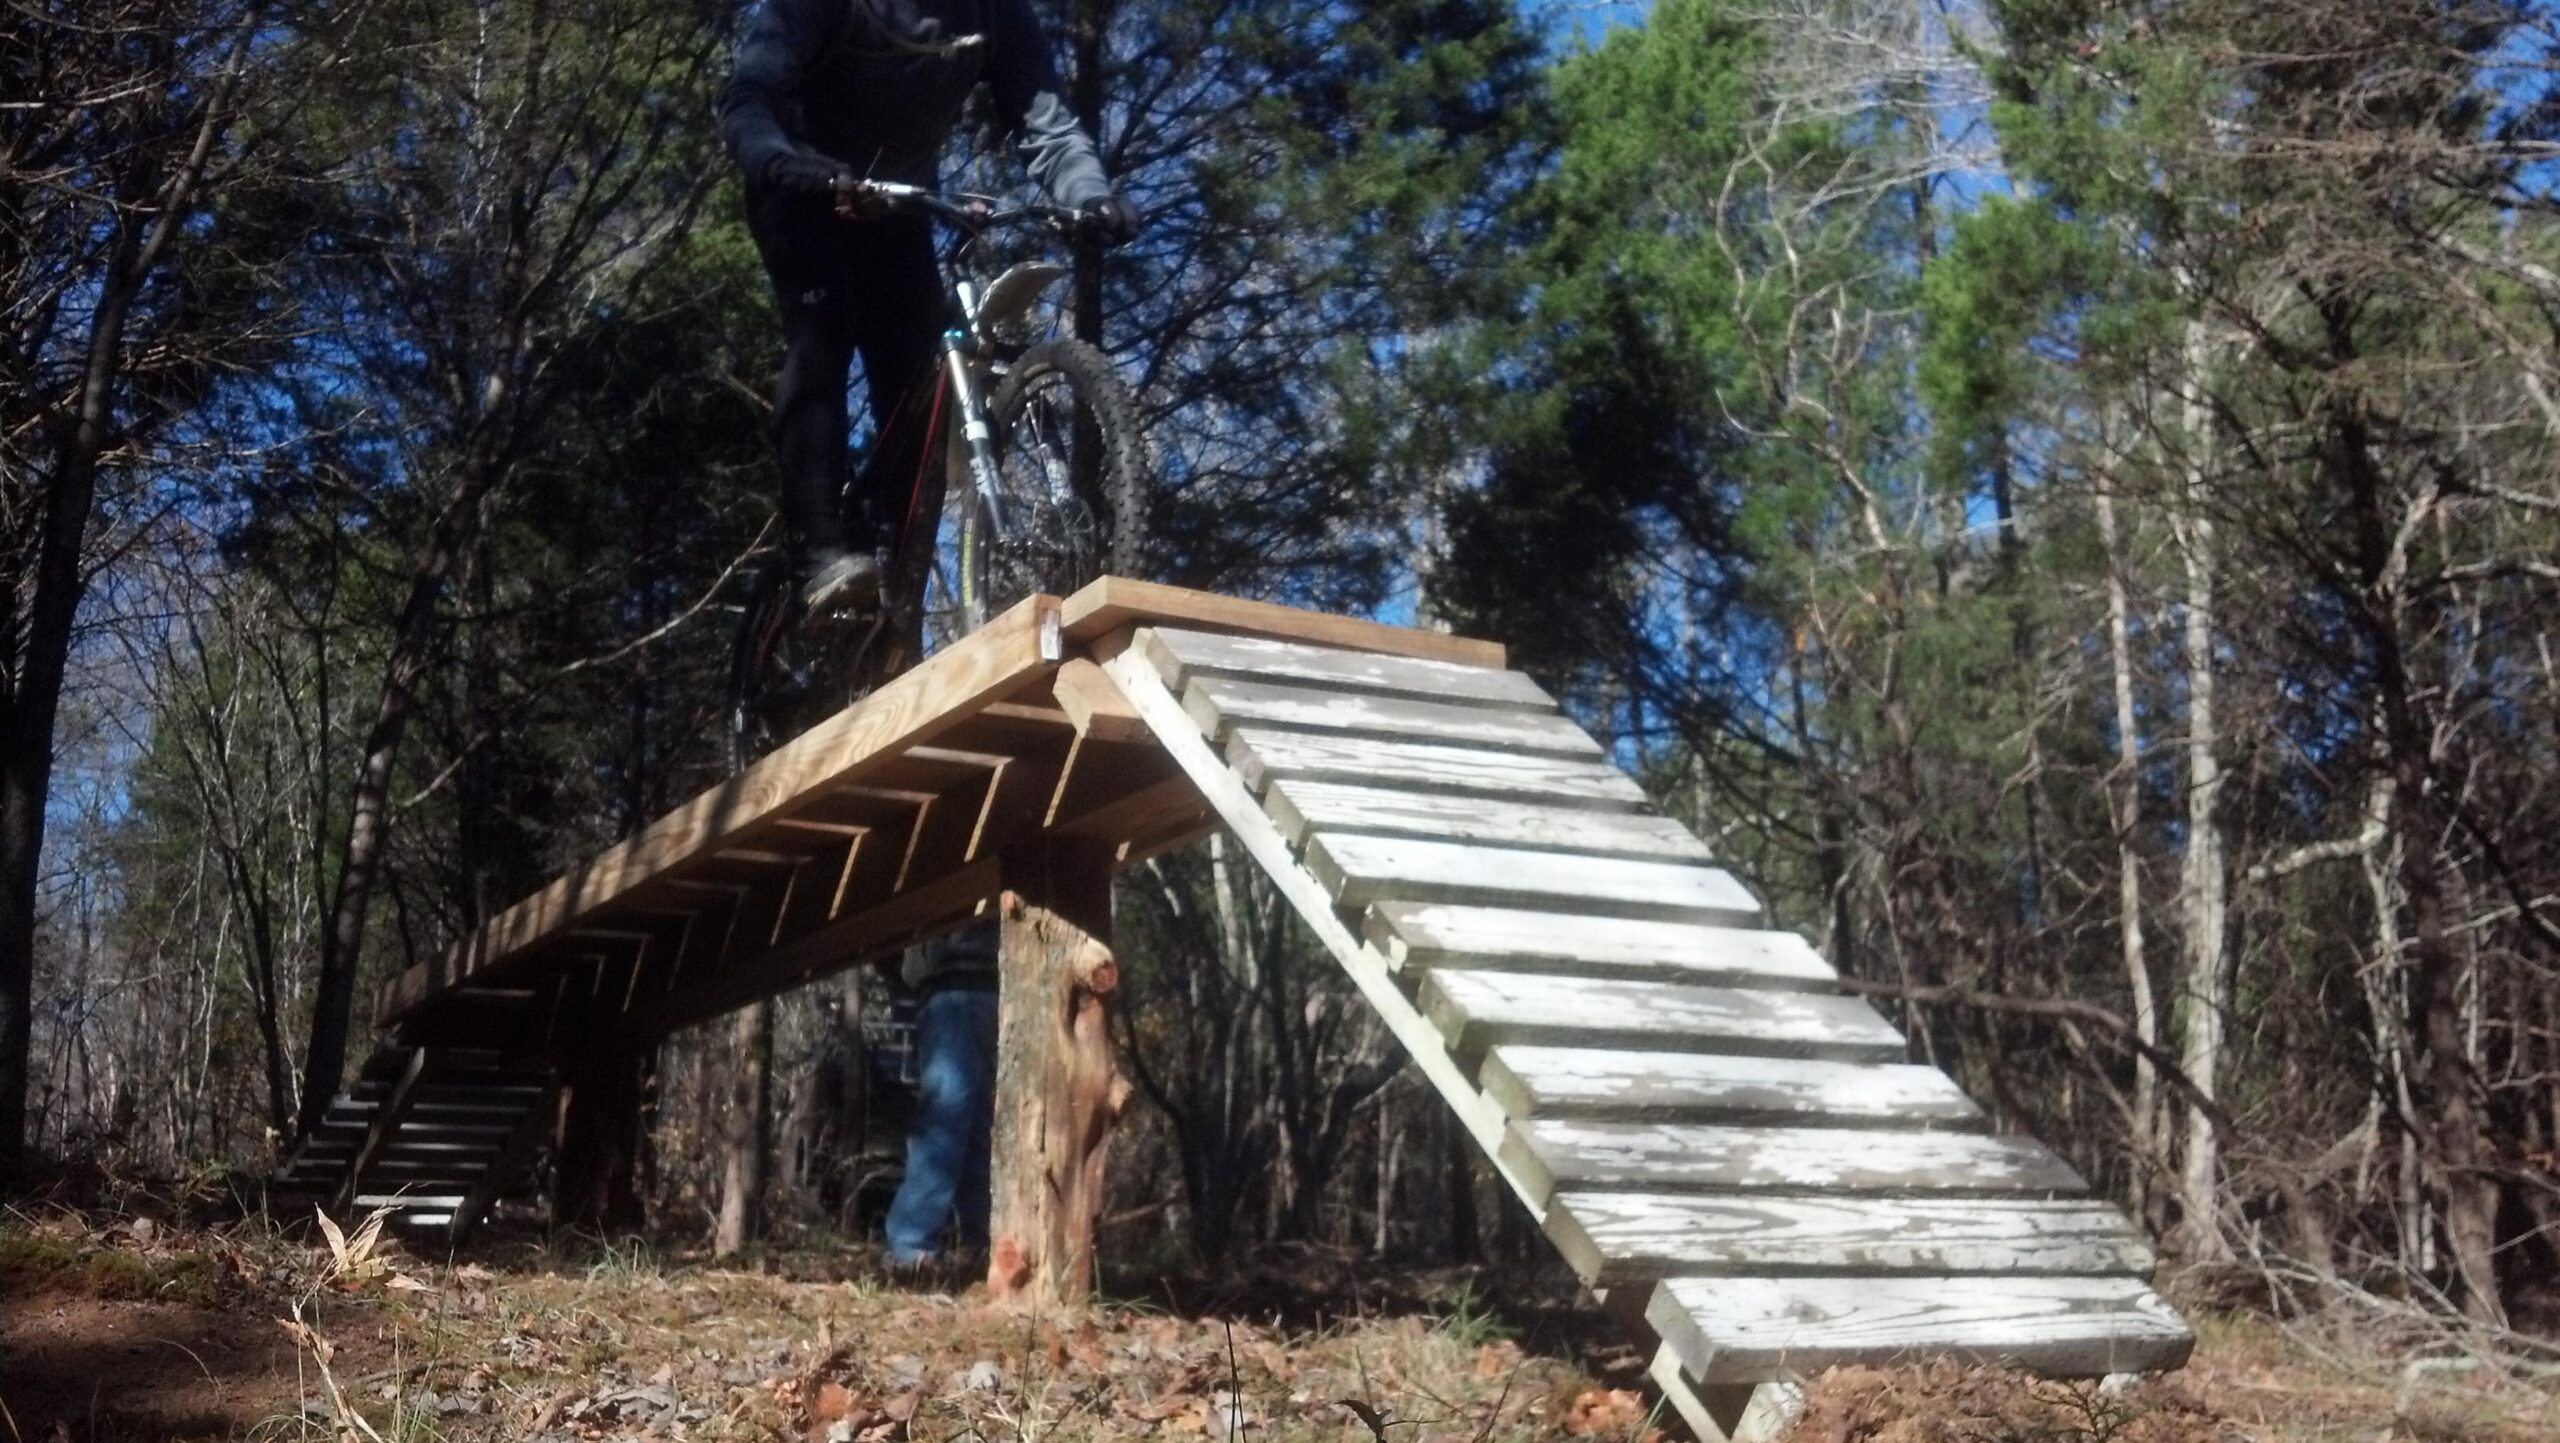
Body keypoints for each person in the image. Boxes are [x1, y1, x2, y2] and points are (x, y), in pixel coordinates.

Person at [717, 0, 1140, 616]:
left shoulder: (997, 14)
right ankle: (817, 547)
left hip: (895, 206)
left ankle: (896, 578)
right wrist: (781, 159)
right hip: (802, 188)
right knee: (823, 333)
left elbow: (1044, 123)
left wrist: (1092, 195)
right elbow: (749, 91)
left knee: (918, 383)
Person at [879, 920, 1000, 1266]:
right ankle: (977, 1241)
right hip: (973, 980)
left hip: (958, 979)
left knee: (951, 1117)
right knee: (969, 1118)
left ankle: (912, 1245)